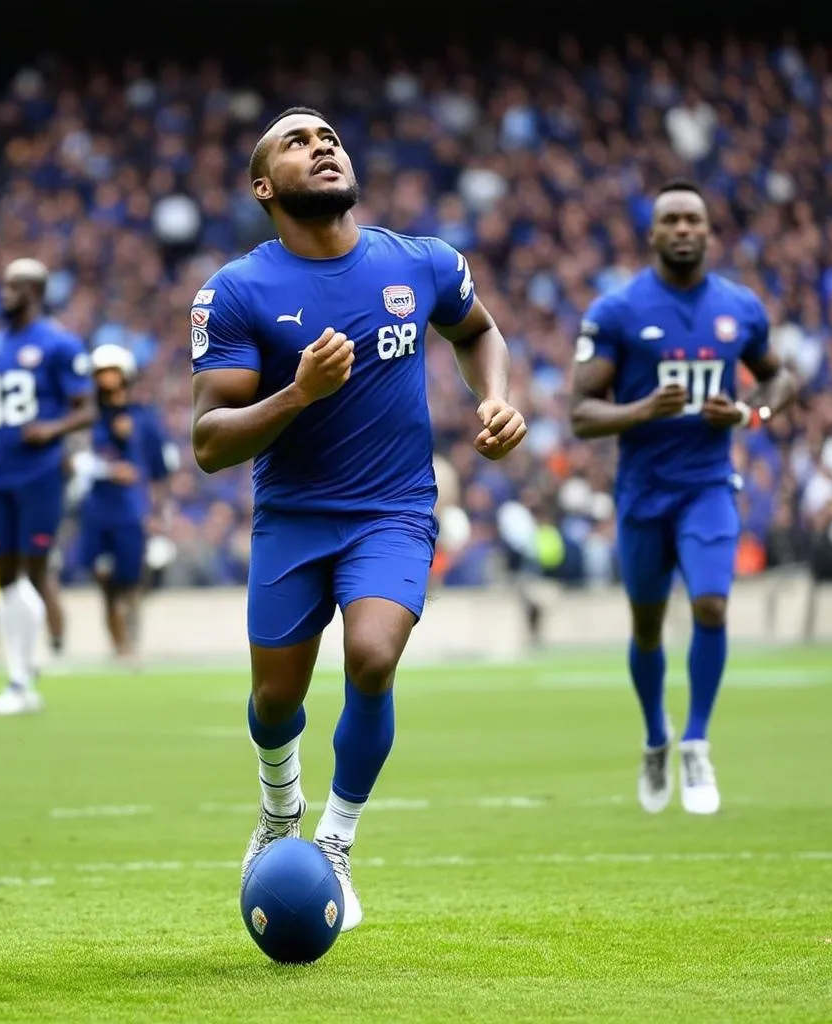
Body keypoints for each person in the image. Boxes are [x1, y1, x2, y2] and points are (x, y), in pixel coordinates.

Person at [189, 107, 527, 930]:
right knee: (276, 700)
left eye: (331, 135)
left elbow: (480, 332)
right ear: (264, 186)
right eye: (297, 142)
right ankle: (278, 816)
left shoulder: (422, 261)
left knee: (372, 657)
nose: (324, 144)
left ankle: (335, 840)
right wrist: (299, 392)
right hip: (293, 518)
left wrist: (495, 398)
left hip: (394, 510)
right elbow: (208, 442)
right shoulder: (236, 291)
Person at [570, 179, 798, 816]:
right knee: (646, 626)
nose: (681, 230)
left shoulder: (740, 308)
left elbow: (781, 376)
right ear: (652, 233)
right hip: (642, 494)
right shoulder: (617, 311)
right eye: (669, 219)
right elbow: (581, 414)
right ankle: (655, 736)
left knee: (712, 606)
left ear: (708, 231)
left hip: (707, 488)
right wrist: (644, 408)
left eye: (692, 219)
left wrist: (749, 414)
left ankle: (696, 739)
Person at [0, 258, 95, 715]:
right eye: (3, 284)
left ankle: (28, 671)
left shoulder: (58, 343)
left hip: (40, 472)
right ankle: (19, 671)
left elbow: (87, 408)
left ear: (35, 290)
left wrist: (51, 430)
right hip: (1, 473)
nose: (4, 292)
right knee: (4, 576)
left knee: (36, 570)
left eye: (14, 285)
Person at [73, 343, 177, 663]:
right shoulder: (86, 418)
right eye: (101, 372)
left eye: (112, 371)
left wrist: (159, 512)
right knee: (102, 576)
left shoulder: (144, 418)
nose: (106, 379)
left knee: (131, 579)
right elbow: (72, 458)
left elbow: (160, 471)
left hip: (132, 509)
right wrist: (104, 469)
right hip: (96, 508)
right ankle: (118, 641)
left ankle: (130, 640)